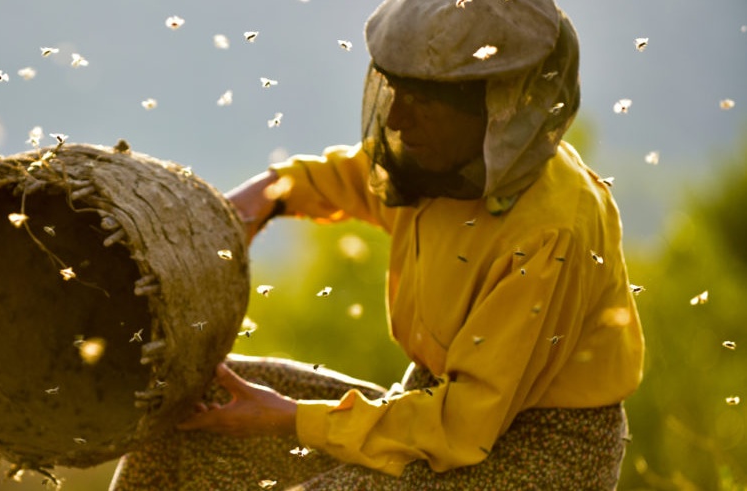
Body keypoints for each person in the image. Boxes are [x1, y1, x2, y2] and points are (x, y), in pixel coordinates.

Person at [110, 0, 645, 489]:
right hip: (433, 409)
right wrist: (263, 200)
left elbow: (460, 428)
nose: (395, 119)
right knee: (187, 408)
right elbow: (359, 176)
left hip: (533, 456)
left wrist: (285, 417)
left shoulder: (550, 234)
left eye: (422, 103)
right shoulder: (449, 161)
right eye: (396, 91)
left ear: (497, 105)